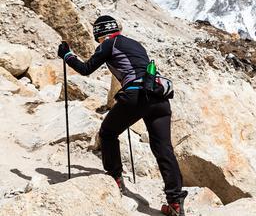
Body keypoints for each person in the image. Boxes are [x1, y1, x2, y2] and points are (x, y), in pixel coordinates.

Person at [57, 15, 187, 216]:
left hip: (136, 97)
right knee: (163, 148)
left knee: (108, 133)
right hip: (159, 97)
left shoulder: (108, 44)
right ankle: (175, 202)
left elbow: (85, 69)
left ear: (100, 33)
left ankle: (115, 178)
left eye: (97, 37)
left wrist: (67, 55)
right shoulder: (134, 43)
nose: (98, 42)